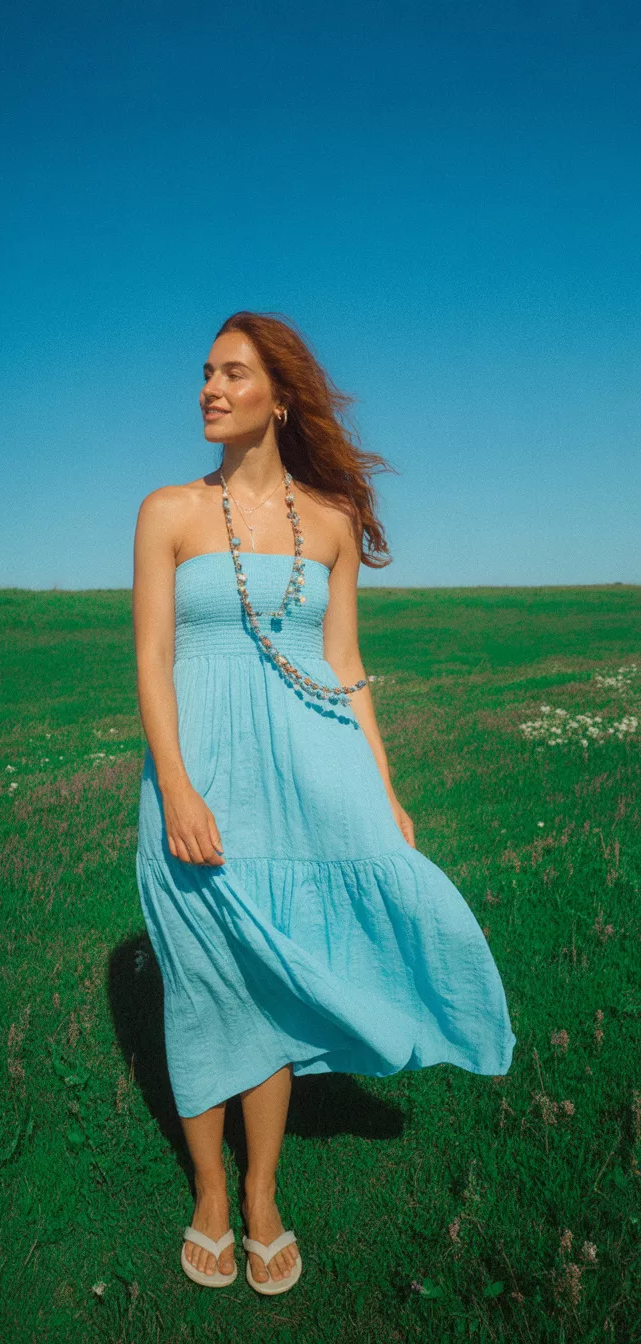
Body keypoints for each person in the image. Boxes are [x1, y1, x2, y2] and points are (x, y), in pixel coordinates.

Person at [132, 310, 516, 1295]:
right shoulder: (168, 512)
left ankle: (262, 1196)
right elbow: (153, 657)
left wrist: (382, 787)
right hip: (200, 780)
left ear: (281, 395)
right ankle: (209, 1196)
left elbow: (344, 663)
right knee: (204, 981)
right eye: (205, 374)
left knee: (277, 980)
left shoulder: (332, 524)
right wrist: (176, 787)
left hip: (308, 774)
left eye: (233, 373)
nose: (210, 389)